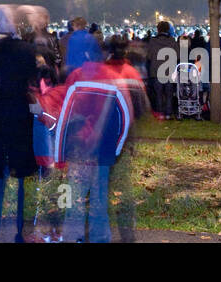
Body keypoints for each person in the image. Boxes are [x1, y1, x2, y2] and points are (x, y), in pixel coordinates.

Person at [39, 34, 150, 242]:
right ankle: (100, 237)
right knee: (99, 199)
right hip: (103, 149)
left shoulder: (77, 77)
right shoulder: (113, 77)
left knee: (75, 200)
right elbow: (125, 114)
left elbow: (65, 114)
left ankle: (74, 236)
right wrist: (117, 145)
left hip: (79, 148)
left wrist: (60, 152)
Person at [0, 6, 40, 242]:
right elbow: (32, 84)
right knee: (20, 174)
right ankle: (18, 230)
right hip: (19, 117)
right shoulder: (26, 50)